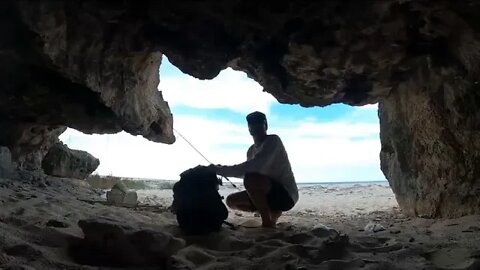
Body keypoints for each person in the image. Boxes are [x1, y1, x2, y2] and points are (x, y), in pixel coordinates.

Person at [208, 111, 298, 227]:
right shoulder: (250, 150)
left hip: (286, 195)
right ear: (249, 128)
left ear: (265, 125)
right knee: (231, 201)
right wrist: (221, 170)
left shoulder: (273, 141)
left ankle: (267, 223)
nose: (256, 126)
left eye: (259, 122)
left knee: (251, 178)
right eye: (252, 123)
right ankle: (272, 213)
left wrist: (221, 169)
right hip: (265, 191)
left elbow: (254, 167)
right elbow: (246, 171)